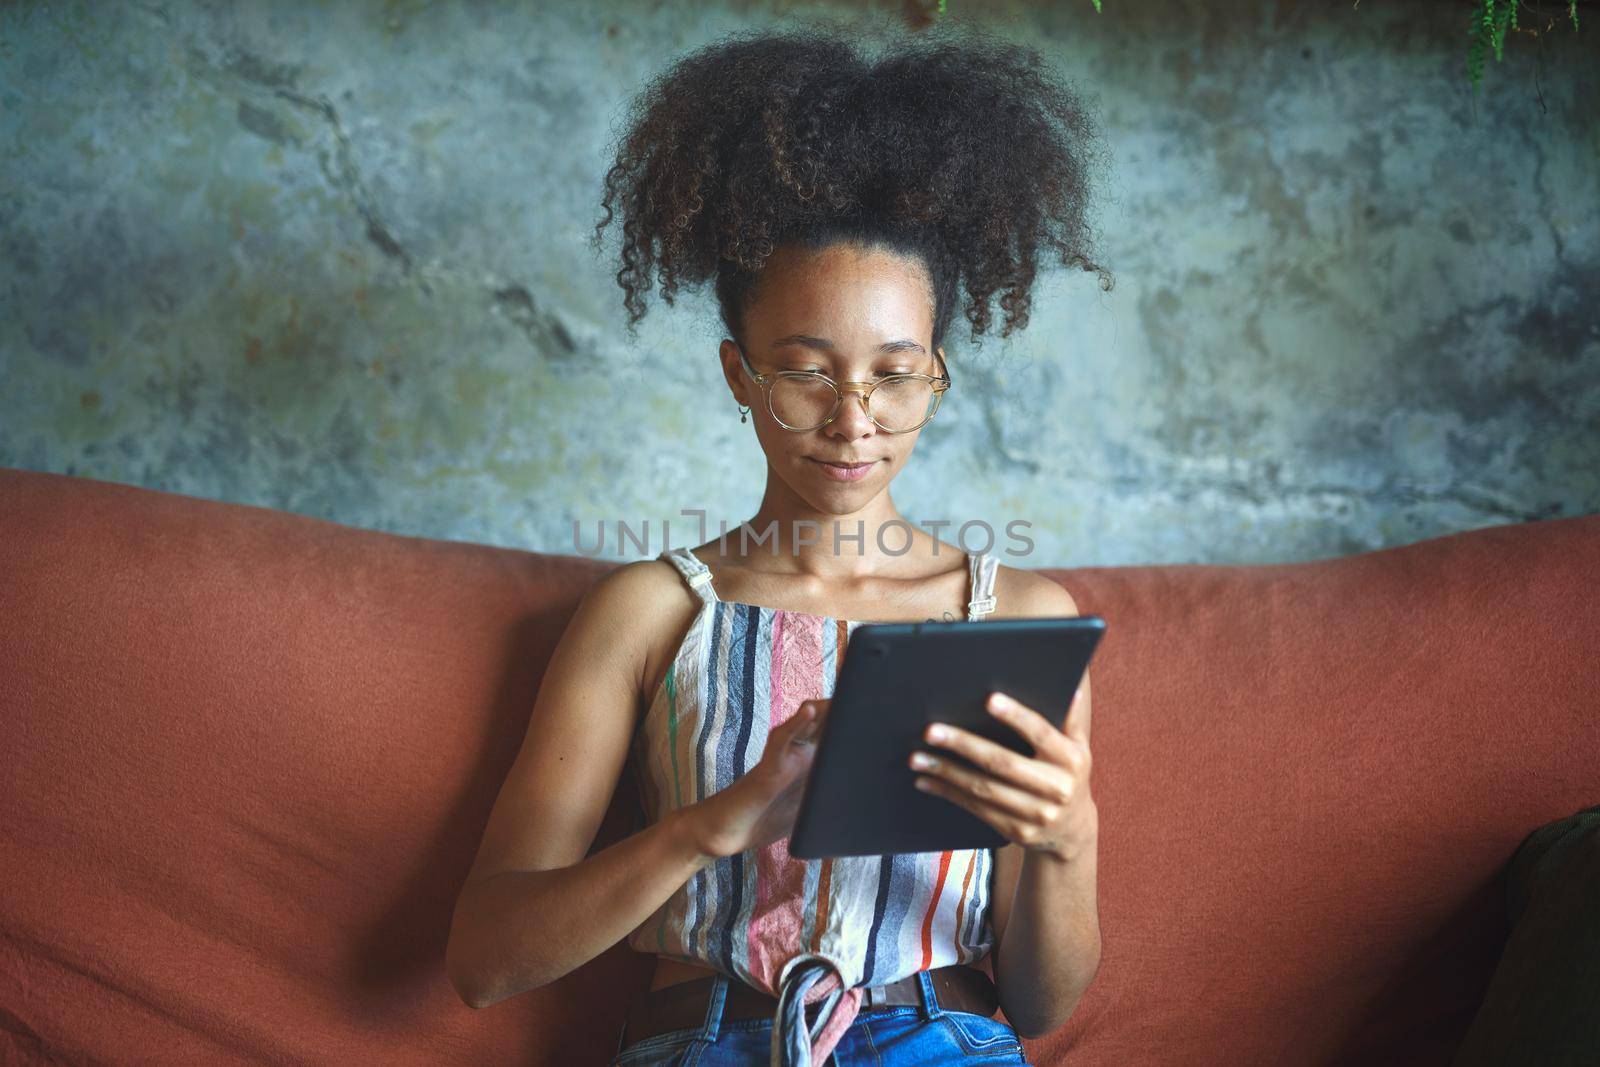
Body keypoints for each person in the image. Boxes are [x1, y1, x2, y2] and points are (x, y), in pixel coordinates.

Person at [446, 20, 1113, 1066]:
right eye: (806, 369)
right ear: (737, 374)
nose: (854, 420)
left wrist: (1064, 839)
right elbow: (484, 958)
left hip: (947, 1038)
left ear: (937, 372)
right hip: (706, 1040)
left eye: (895, 372)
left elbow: (1038, 1007)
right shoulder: (652, 612)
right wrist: (713, 823)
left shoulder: (1019, 621)